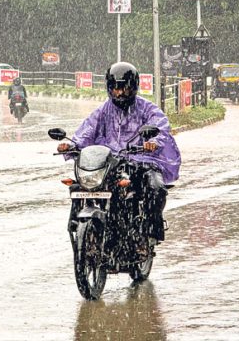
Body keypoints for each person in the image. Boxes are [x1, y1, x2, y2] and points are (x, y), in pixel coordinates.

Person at [57, 62, 181, 242]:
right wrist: (72, 145)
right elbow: (87, 130)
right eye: (115, 88)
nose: (120, 93)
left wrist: (153, 142)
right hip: (110, 162)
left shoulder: (147, 109)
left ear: (134, 87)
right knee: (80, 185)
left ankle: (150, 231)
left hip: (141, 161)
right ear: (109, 88)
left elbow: (160, 128)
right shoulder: (103, 111)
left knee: (156, 188)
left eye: (125, 88)